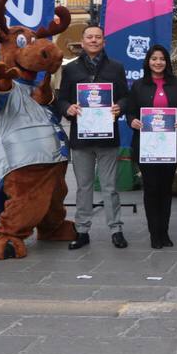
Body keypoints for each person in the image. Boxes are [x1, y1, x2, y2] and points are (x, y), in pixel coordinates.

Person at [54, 25, 130, 251]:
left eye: (98, 37)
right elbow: (61, 99)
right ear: (83, 41)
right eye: (90, 37)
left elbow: (126, 97)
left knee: (110, 187)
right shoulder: (71, 69)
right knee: (84, 187)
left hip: (108, 137)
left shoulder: (116, 68)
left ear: (104, 42)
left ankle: (116, 229)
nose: (94, 40)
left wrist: (120, 107)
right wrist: (68, 108)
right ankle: (83, 231)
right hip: (81, 137)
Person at [125, 45, 177, 249]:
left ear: (167, 62)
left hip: (171, 146)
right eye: (154, 58)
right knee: (151, 188)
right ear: (148, 61)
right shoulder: (138, 86)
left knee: (165, 188)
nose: (158, 62)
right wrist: (133, 121)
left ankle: (165, 231)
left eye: (162, 58)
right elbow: (130, 112)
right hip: (147, 146)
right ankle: (155, 233)